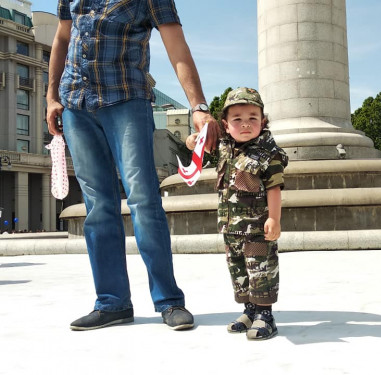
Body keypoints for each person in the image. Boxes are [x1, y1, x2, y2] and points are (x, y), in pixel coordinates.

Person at [46, 0, 219, 331]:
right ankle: (112, 302)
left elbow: (177, 47)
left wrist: (197, 106)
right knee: (97, 205)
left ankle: (169, 301)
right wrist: (51, 96)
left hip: (127, 100)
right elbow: (62, 38)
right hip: (76, 105)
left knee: (142, 199)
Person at [186, 88, 288, 340]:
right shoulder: (224, 147)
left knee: (260, 271)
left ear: (263, 121)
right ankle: (250, 310)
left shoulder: (268, 153)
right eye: (237, 119)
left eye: (253, 117)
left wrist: (274, 218)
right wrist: (195, 139)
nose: (245, 124)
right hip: (231, 228)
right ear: (226, 125)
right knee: (239, 271)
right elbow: (193, 143)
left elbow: (274, 189)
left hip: (256, 229)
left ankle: (265, 314)